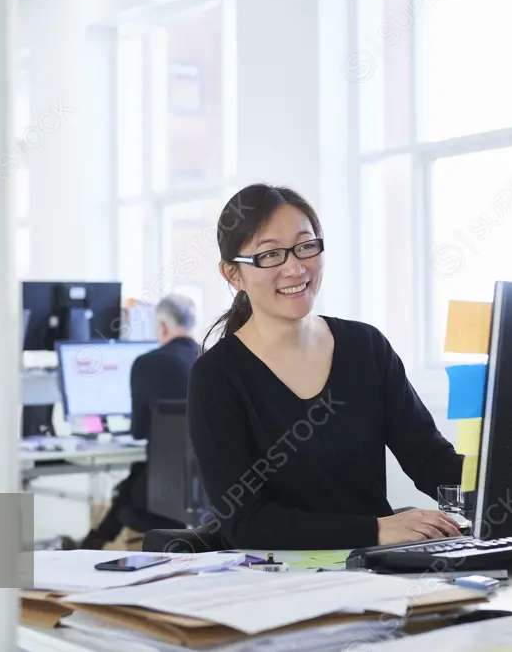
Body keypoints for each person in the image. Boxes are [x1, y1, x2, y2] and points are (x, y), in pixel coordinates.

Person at [187, 183, 464, 550]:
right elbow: (246, 522)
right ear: (233, 275)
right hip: (277, 581)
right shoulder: (217, 377)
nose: (295, 267)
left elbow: (432, 463)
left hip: (376, 569)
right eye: (271, 255)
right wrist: (377, 530)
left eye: (306, 246)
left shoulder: (366, 347)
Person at [74, 293, 201, 550]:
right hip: (209, 488)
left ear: (163, 326)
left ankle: (92, 544)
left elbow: (140, 431)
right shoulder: (209, 359)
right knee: (137, 477)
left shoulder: (148, 363)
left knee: (130, 489)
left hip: (162, 493)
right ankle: (93, 542)